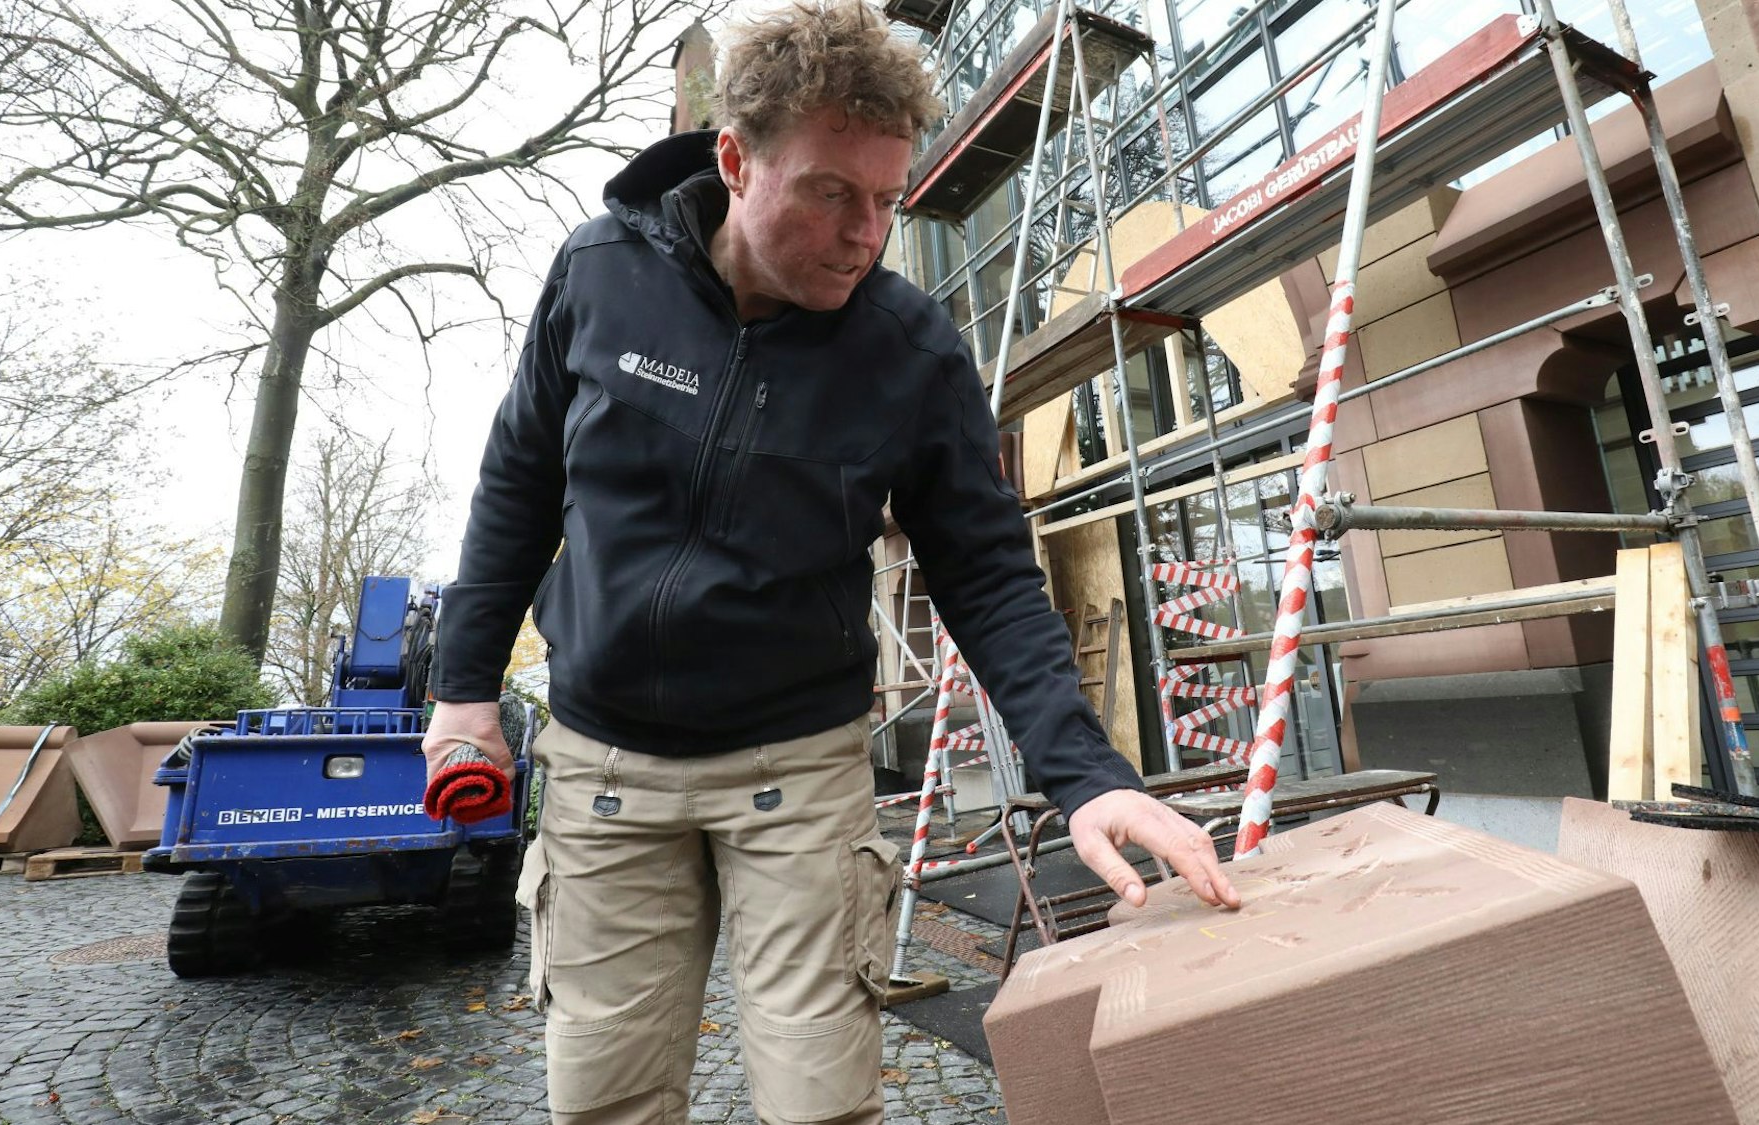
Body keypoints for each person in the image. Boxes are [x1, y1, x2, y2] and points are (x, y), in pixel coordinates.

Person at [420, 3, 1240, 1122]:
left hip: (797, 776)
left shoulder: (908, 352)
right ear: (734, 159)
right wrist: (463, 689)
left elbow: (988, 574)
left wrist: (1086, 777)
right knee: (602, 1100)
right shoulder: (602, 274)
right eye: (830, 194)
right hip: (606, 772)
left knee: (821, 1103)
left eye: (889, 201)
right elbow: (517, 482)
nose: (866, 234)